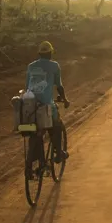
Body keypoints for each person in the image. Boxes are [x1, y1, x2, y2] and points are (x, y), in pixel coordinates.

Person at [25, 40, 69, 177]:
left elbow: (27, 86)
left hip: (29, 105)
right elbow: (59, 86)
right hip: (46, 105)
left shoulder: (31, 66)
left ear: (39, 54)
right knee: (56, 126)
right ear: (50, 53)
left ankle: (34, 162)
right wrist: (65, 99)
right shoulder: (54, 66)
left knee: (33, 131)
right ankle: (58, 152)